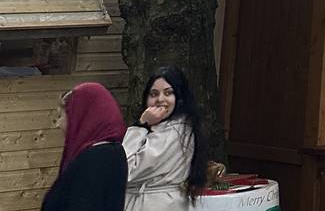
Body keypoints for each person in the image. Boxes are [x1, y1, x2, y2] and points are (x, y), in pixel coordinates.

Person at [123, 66, 207, 210]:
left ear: (178, 97)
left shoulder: (174, 131)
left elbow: (126, 168)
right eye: (154, 94)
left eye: (168, 93)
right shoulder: (176, 126)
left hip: (155, 204)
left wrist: (140, 126)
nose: (160, 100)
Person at [42, 83, 127, 211]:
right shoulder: (115, 152)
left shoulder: (93, 160)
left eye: (61, 116)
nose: (58, 124)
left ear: (80, 115)